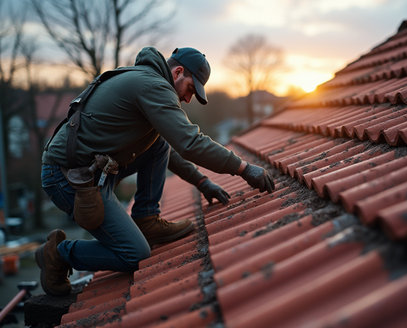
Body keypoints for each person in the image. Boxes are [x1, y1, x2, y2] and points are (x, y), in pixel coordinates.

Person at [37, 46, 274, 296]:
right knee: (134, 254)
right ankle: (59, 253)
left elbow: (166, 149)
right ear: (178, 71)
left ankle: (147, 218)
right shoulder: (153, 86)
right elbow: (190, 143)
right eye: (190, 89)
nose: (187, 99)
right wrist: (244, 168)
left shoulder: (145, 80)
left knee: (159, 140)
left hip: (94, 170)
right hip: (67, 177)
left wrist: (202, 182)